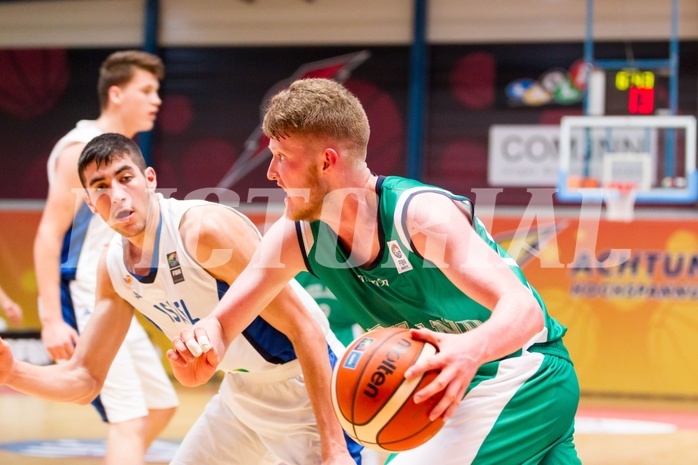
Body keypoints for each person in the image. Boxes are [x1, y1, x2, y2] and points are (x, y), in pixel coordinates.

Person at [172, 78, 582, 465]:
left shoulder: (418, 216)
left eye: (282, 157)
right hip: (450, 392)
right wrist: (202, 346)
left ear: (327, 161)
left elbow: (524, 310)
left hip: (521, 371)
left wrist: (469, 350)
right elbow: (224, 324)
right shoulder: (299, 236)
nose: (271, 172)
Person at [0, 133, 362, 465]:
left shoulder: (204, 230)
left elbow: (307, 328)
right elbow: (85, 379)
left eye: (126, 178)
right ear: (92, 206)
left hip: (307, 388)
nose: (118, 195)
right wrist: (13, 372)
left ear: (151, 180)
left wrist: (334, 447)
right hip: (240, 394)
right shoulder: (113, 268)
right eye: (100, 187)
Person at [32, 50, 178, 465]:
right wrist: (50, 320)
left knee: (160, 406)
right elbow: (48, 234)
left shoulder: (121, 151)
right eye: (146, 90)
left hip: (118, 294)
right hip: (84, 294)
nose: (156, 100)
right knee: (128, 419)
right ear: (116, 94)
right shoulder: (79, 149)